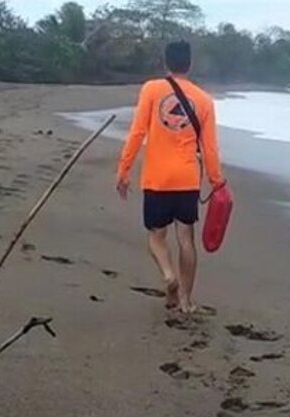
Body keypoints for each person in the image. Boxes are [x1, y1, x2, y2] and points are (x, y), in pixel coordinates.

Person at [117, 41, 224, 314]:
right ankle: (187, 300)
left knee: (156, 236)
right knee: (186, 238)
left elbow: (137, 132)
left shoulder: (152, 89)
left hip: (157, 177)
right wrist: (216, 180)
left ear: (166, 62)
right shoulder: (204, 100)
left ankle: (168, 275)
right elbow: (210, 147)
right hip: (187, 178)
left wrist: (124, 169)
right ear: (190, 64)